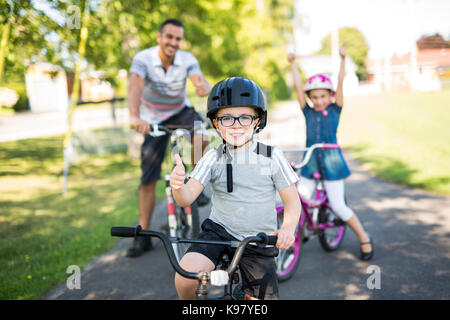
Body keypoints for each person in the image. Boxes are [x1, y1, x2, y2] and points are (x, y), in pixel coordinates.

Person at [170, 77, 301, 300]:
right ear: (216, 123)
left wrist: (288, 228)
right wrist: (177, 186)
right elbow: (186, 198)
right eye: (227, 118)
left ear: (258, 121)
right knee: (184, 276)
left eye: (245, 118)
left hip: (258, 239)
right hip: (218, 232)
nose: (237, 125)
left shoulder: (271, 156)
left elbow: (292, 202)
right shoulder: (212, 157)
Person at [127, 18, 211, 257]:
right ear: (159, 37)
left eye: (177, 38)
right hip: (152, 118)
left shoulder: (187, 59)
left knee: (200, 132)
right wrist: (135, 116)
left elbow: (198, 78)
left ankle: (198, 183)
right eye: (169, 37)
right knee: (148, 177)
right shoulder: (143, 59)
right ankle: (143, 235)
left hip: (180, 111)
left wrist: (201, 85)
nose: (173, 42)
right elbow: (134, 86)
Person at [287, 47, 374, 261]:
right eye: (314, 97)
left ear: (331, 95)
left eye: (323, 96)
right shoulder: (307, 112)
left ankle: (364, 237)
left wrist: (344, 59)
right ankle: (304, 228)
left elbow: (341, 81)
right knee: (300, 199)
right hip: (311, 163)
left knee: (338, 206)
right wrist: (292, 64)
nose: (318, 101)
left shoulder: (335, 110)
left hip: (332, 163)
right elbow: (298, 87)